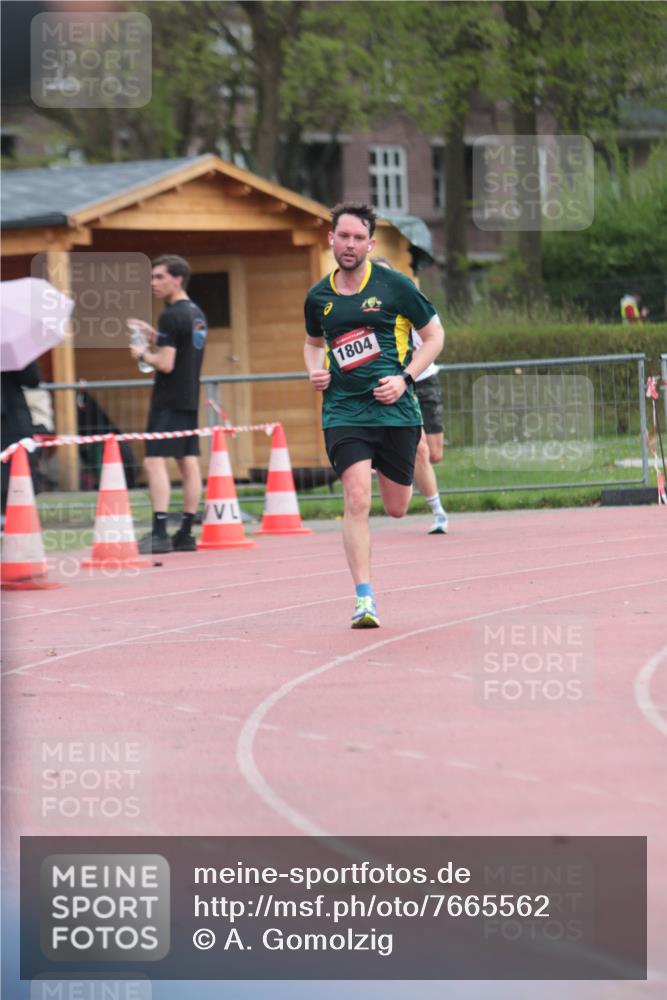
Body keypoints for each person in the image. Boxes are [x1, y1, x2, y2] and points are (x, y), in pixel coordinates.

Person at [304, 202, 445, 629]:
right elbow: (312, 343)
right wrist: (314, 369)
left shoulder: (395, 286)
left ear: (370, 243)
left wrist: (404, 378)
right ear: (331, 239)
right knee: (357, 498)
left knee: (397, 506)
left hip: (395, 411)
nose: (350, 244)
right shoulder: (318, 297)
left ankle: (398, 476)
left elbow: (435, 336)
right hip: (344, 411)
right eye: (343, 236)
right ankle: (364, 598)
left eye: (358, 238)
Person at [129, 254, 208, 554]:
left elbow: (165, 362)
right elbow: (181, 344)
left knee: (153, 461)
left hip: (169, 398)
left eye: (159, 277)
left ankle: (160, 532)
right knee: (187, 462)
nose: (153, 283)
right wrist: (154, 335)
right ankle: (185, 533)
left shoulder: (171, 315)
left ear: (177, 279)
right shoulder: (196, 312)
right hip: (189, 396)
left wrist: (141, 353)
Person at [374, 257, 448, 534]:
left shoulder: (411, 300)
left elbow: (436, 336)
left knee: (434, 453)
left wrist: (414, 363)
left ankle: (403, 464)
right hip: (398, 384)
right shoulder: (369, 311)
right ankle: (439, 512)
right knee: (420, 450)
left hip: (424, 378)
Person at [1, 361, 41, 517]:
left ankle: (16, 516)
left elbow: (32, 379)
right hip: (13, 419)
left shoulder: (8, 352)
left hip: (12, 419)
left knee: (18, 468)